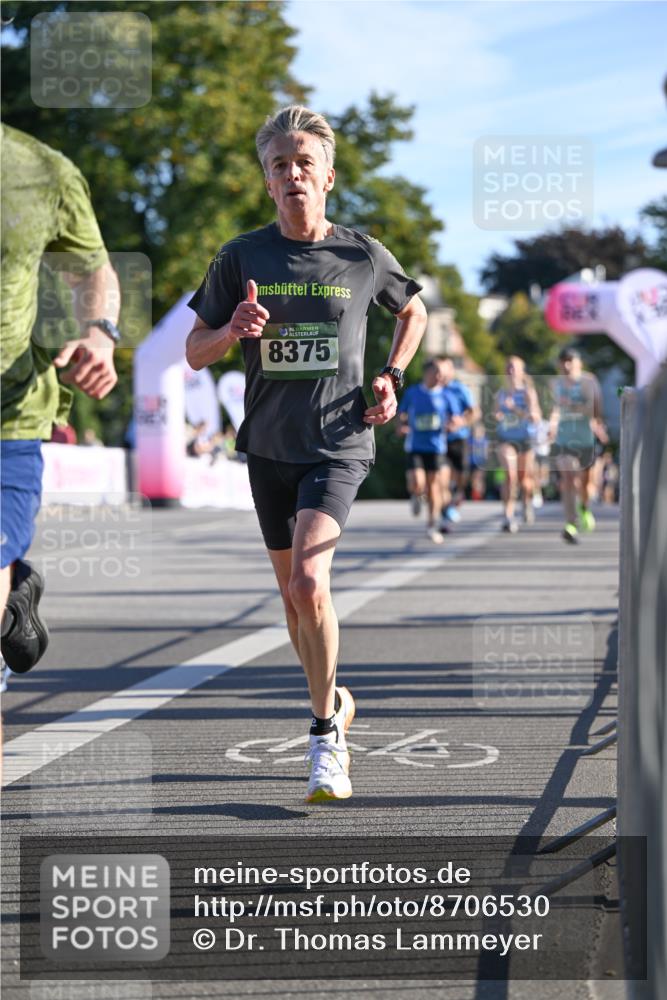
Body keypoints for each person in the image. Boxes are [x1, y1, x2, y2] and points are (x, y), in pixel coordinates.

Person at [186, 105, 427, 803]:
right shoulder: (240, 257)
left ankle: (324, 737)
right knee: (295, 612)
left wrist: (391, 376)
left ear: (327, 177)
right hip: (268, 447)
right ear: (267, 182)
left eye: (303, 164)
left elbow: (411, 309)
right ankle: (336, 699)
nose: (292, 175)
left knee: (308, 588)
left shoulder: (361, 254)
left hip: (339, 442)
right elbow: (193, 353)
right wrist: (231, 328)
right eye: (278, 166)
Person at [1, 123, 120, 688]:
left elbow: (94, 270)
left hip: (9, 415)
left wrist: (99, 332)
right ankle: (11, 603)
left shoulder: (41, 171)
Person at [548, 347, 606, 544]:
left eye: (570, 361)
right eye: (563, 361)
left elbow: (594, 409)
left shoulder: (589, 381)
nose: (566, 366)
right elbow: (554, 409)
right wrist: (552, 426)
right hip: (565, 439)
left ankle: (585, 508)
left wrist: (574, 407)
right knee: (569, 478)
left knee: (585, 484)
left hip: (586, 438)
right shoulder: (555, 383)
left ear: (578, 363)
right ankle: (570, 524)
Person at [397, 357, 451, 543]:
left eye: (441, 373)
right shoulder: (413, 392)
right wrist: (401, 425)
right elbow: (401, 413)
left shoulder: (445, 394)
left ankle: (431, 525)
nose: (439, 376)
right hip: (416, 445)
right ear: (426, 373)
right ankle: (416, 494)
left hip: (436, 447)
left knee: (434, 487)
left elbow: (459, 416)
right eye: (435, 372)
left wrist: (456, 423)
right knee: (417, 482)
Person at [493, 356, 542, 533]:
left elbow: (535, 417)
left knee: (524, 480)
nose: (511, 371)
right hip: (506, 439)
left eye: (514, 368)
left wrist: (515, 410)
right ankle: (508, 515)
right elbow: (495, 415)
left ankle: (526, 502)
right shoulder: (501, 394)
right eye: (508, 368)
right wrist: (498, 416)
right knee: (510, 475)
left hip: (524, 440)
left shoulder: (528, 392)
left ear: (522, 371)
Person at [439, 356, 478, 527]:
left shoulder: (460, 389)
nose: (441, 373)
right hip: (438, 440)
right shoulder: (432, 389)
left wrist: (460, 421)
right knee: (442, 478)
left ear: (452, 371)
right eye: (438, 370)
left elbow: (474, 412)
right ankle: (445, 512)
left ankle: (458, 494)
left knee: (462, 475)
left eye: (445, 369)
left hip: (459, 438)